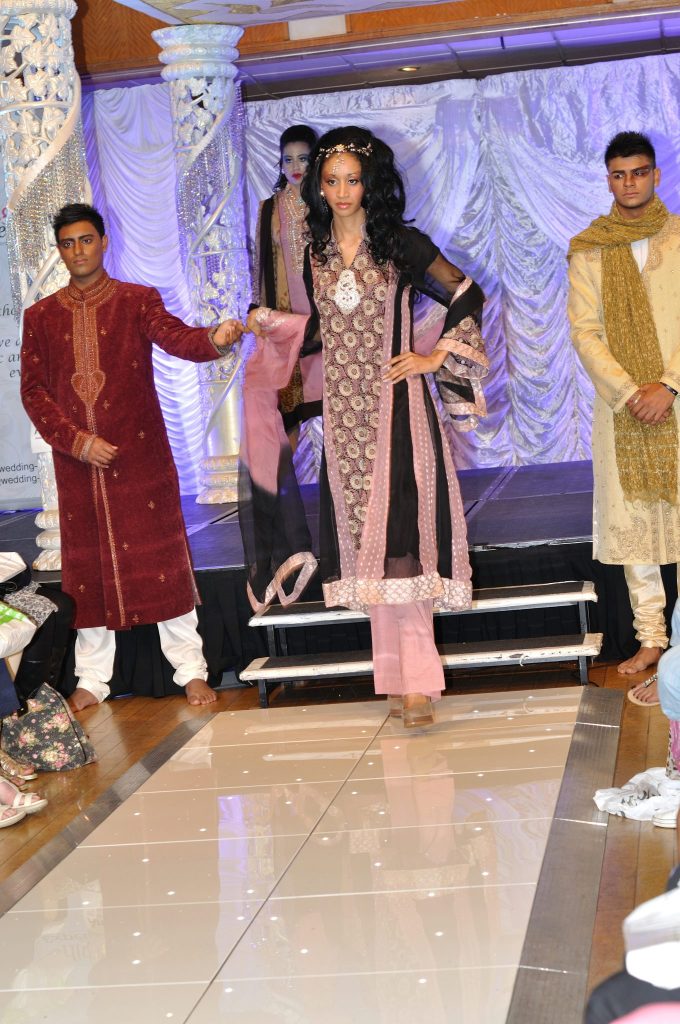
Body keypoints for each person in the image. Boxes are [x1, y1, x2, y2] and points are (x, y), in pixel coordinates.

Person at [237, 126, 487, 727]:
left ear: (370, 183)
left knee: (403, 542)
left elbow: (466, 292)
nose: (343, 191)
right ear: (319, 188)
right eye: (332, 181)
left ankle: (419, 684)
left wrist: (434, 356)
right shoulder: (315, 254)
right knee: (366, 545)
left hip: (398, 409)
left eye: (353, 179)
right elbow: (319, 330)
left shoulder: (400, 243)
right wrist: (264, 324)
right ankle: (393, 679)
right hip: (343, 419)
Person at [20, 203, 243, 712]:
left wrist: (214, 338)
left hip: (139, 458)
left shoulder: (137, 300)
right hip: (79, 466)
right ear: (60, 251)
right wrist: (77, 442)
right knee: (88, 573)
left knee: (162, 561)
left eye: (86, 240)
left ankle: (191, 670)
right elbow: (33, 393)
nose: (78, 251)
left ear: (104, 242)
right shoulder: (40, 317)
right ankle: (93, 680)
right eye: (67, 244)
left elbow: (177, 337)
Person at [568, 131, 680, 706]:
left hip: (678, 396)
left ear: (656, 175)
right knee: (635, 523)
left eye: (639, 172)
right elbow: (584, 332)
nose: (629, 182)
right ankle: (652, 637)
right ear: (608, 178)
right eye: (619, 174)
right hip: (623, 408)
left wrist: (670, 386)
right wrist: (632, 392)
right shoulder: (588, 248)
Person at [252, 125, 321, 454]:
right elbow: (261, 261)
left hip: (326, 318)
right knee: (287, 412)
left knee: (337, 406)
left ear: (315, 162)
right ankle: (280, 482)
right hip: (287, 319)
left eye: (303, 159)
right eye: (288, 159)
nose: (295, 167)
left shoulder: (329, 204)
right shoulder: (269, 208)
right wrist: (258, 311)